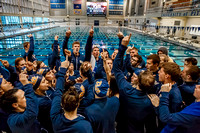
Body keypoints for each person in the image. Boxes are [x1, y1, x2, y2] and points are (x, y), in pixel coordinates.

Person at [113, 34, 157, 133]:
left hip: (121, 128)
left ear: (138, 81)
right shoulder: (150, 103)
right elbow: (151, 127)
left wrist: (123, 46)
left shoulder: (126, 89)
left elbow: (116, 68)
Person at [50, 60, 93, 133]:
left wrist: (62, 70)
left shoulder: (55, 118)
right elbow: (90, 95)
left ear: (62, 104)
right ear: (78, 104)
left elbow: (58, 92)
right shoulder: (85, 126)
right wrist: (89, 74)